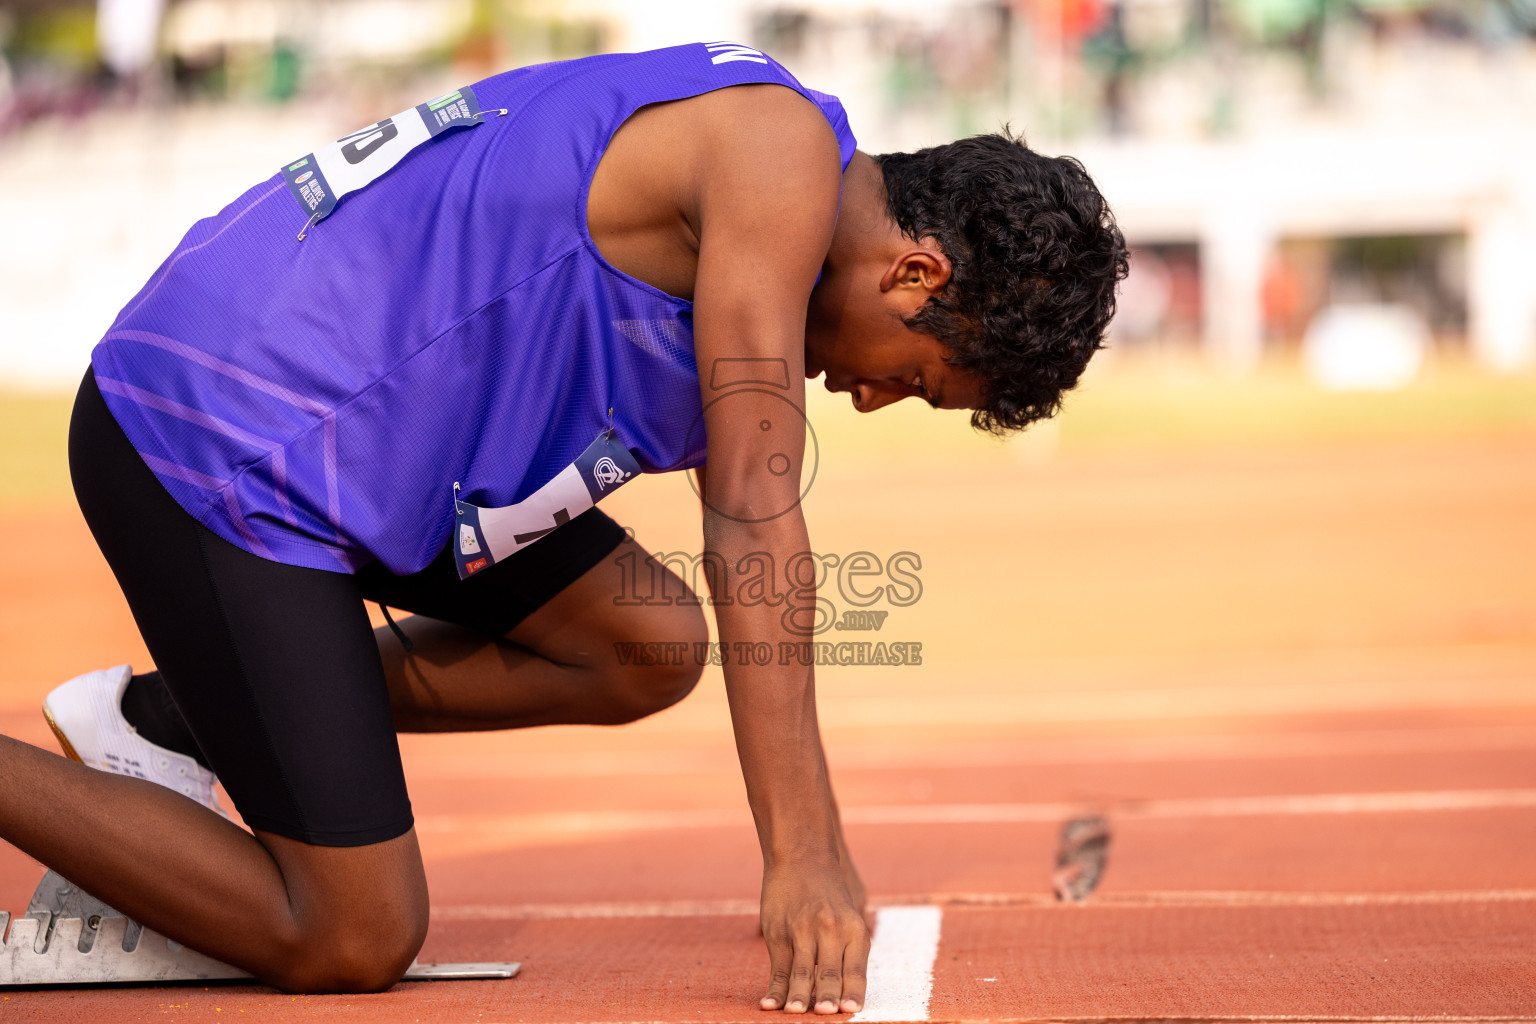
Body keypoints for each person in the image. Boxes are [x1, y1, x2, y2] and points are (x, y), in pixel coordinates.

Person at [1, 42, 1127, 1013]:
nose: (875, 401)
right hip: (229, 429)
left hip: (376, 448)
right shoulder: (775, 165)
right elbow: (750, 511)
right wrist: (805, 852)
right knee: (352, 931)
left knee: (646, 646)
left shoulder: (773, 171)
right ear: (917, 273)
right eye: (921, 382)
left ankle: (168, 718)